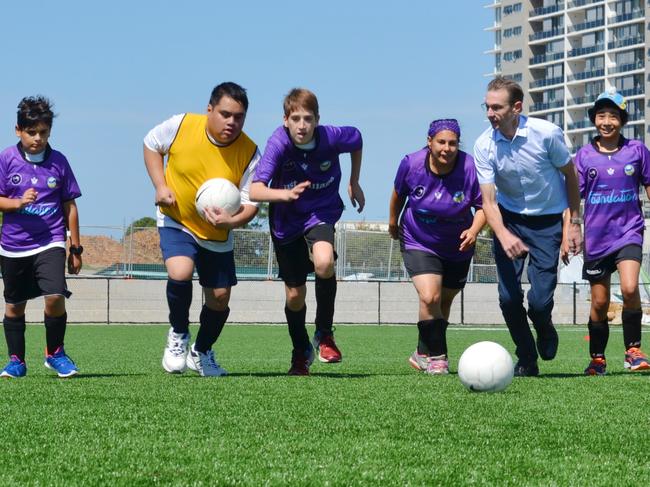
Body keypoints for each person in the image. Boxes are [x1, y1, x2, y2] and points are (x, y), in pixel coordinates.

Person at [143, 82, 260, 377]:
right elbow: (151, 144)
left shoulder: (249, 152)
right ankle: (179, 336)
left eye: (239, 116)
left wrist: (230, 221)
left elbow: (252, 203)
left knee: (220, 297)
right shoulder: (182, 124)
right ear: (209, 110)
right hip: (177, 219)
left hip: (218, 234)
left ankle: (202, 351)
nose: (232, 122)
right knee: (180, 272)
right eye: (225, 114)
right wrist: (160, 186)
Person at [250, 88, 364, 375]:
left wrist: (354, 181)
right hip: (286, 221)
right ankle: (300, 349)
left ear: (317, 120)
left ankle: (324, 334)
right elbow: (255, 190)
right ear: (285, 120)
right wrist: (283, 195)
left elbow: (357, 139)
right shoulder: (278, 142)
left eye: (308, 119)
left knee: (325, 261)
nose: (302, 125)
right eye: (296, 118)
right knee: (294, 295)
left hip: (320, 212)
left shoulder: (331, 137)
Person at [473, 76, 583, 377]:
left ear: (516, 107)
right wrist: (504, 233)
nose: (489, 114)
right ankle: (526, 357)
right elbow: (488, 201)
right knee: (508, 298)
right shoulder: (484, 145)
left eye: (497, 107)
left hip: (548, 223)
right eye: (487, 107)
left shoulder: (546, 134)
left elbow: (570, 176)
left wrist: (573, 223)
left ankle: (544, 328)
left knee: (538, 302)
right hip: (508, 219)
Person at [389, 119, 485, 375]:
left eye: (452, 143)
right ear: (429, 142)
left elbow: (483, 206)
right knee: (429, 296)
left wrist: (474, 230)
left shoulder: (469, 168)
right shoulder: (411, 164)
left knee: (443, 301)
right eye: (441, 142)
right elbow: (398, 195)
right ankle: (437, 357)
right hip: (418, 239)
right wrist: (391, 222)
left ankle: (422, 351)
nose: (446, 148)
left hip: (457, 244)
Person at [0, 96, 82, 378]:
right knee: (14, 306)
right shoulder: (6, 159)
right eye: (31, 132)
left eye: (43, 133)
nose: (37, 138)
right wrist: (16, 203)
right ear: (18, 130)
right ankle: (16, 361)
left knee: (55, 296)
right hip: (13, 246)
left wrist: (75, 248)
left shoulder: (59, 162)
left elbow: (70, 206)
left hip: (51, 241)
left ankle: (55, 353)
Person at [575, 89, 650, 375]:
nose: (607, 121)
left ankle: (633, 351)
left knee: (631, 288)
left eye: (614, 116)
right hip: (596, 238)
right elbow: (573, 199)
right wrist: (570, 229)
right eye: (602, 115)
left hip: (629, 231)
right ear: (594, 119)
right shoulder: (583, 156)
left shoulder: (637, 151)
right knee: (600, 302)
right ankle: (597, 358)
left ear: (623, 120)